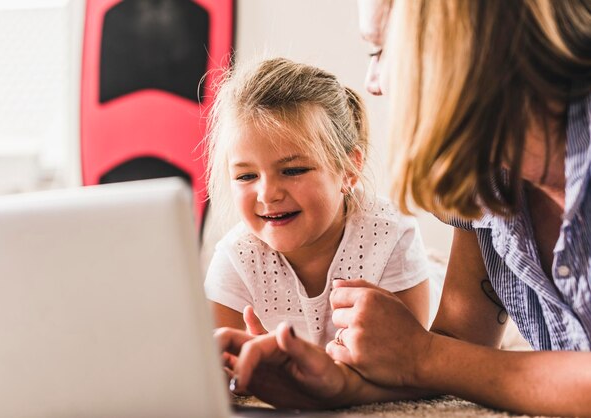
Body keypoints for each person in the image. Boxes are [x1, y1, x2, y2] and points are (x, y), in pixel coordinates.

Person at [215, 0, 591, 416]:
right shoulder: (484, 182)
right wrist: (338, 386)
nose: (372, 83)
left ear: (459, 44)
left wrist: (423, 355)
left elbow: (437, 358)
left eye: (380, 51)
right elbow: (462, 353)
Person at [204, 57, 433, 346]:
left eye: (293, 171)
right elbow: (218, 362)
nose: (267, 194)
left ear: (349, 170)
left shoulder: (390, 235)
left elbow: (407, 356)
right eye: (246, 176)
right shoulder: (236, 258)